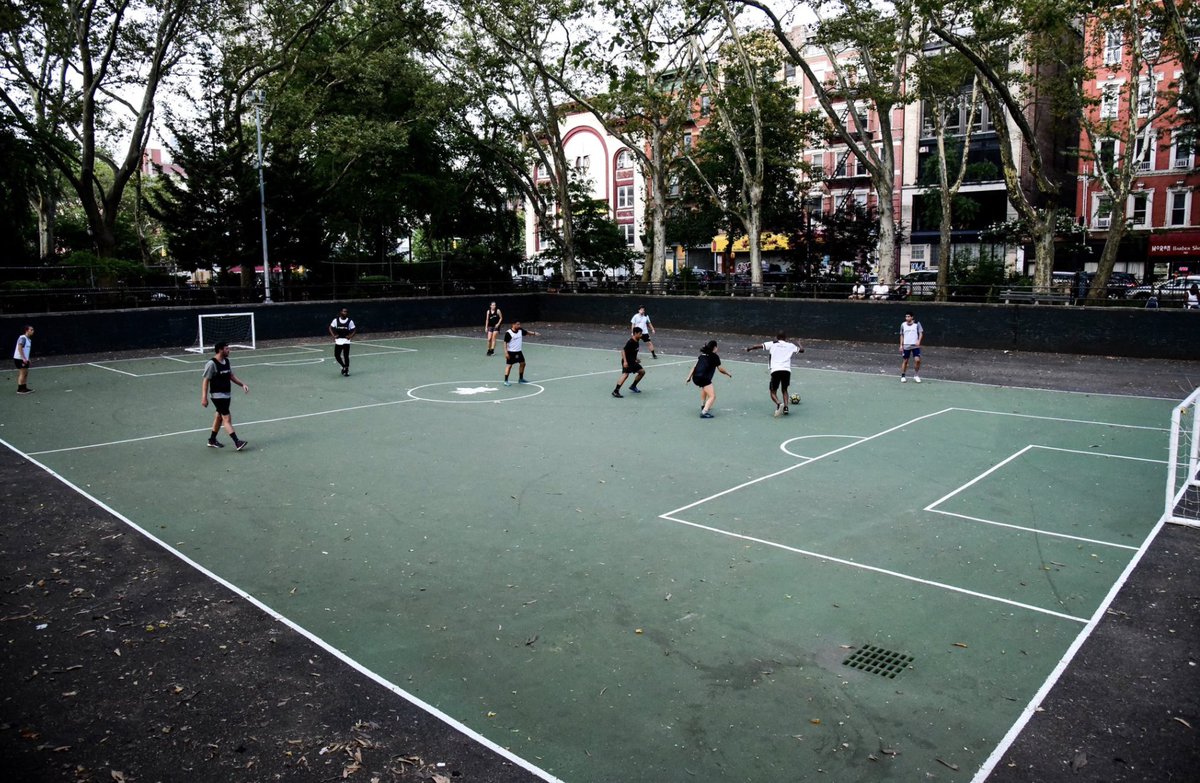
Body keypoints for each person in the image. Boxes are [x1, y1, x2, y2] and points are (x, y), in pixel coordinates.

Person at [201, 341, 250, 450]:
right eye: (227, 349)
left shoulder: (226, 361)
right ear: (220, 350)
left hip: (226, 394)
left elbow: (231, 376)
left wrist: (242, 384)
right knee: (226, 418)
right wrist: (204, 397)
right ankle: (237, 442)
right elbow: (205, 381)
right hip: (217, 395)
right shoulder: (211, 364)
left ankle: (212, 440)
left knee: (218, 416)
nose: (229, 350)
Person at [746, 331, 804, 417]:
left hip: (776, 370)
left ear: (777, 337)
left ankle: (779, 403)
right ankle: (786, 408)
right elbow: (802, 350)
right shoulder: (790, 345)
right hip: (786, 371)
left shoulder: (772, 343)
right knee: (784, 390)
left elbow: (757, 346)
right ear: (785, 338)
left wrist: (749, 348)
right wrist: (799, 344)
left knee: (772, 392)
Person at [685, 340, 732, 419]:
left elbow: (694, 367)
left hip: (696, 378)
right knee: (712, 396)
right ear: (714, 347)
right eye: (717, 346)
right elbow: (720, 369)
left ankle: (703, 405)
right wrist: (728, 373)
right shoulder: (715, 357)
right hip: (704, 378)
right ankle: (704, 412)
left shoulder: (702, 355)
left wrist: (688, 378)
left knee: (704, 388)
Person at [503, 320, 540, 386]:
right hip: (511, 352)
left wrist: (534, 333)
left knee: (523, 363)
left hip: (519, 351)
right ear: (513, 324)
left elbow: (527, 332)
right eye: (517, 324)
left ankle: (521, 379)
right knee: (509, 366)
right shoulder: (508, 333)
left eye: (519, 324)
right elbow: (505, 342)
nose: (519, 326)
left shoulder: (520, 330)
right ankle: (506, 381)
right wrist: (506, 353)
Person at [613, 327, 646, 398]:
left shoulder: (637, 341)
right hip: (627, 361)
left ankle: (633, 386)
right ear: (635, 333)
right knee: (625, 375)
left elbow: (633, 352)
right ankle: (616, 391)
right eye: (640, 334)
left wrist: (636, 358)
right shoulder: (631, 342)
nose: (641, 335)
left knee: (642, 372)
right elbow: (623, 351)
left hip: (632, 361)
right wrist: (625, 361)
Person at [328, 307, 356, 376]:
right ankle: (344, 366)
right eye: (344, 311)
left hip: (346, 341)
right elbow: (330, 328)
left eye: (346, 312)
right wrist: (334, 335)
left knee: (346, 356)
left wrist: (350, 336)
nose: (345, 313)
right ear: (341, 312)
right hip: (338, 341)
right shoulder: (336, 320)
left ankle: (346, 370)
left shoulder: (350, 321)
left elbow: (354, 329)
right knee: (337, 355)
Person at [899, 311, 924, 383]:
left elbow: (921, 333)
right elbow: (901, 335)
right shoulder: (903, 324)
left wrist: (919, 341)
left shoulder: (917, 324)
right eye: (906, 317)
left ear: (912, 317)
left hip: (915, 346)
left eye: (908, 316)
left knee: (917, 360)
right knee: (905, 361)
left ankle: (916, 375)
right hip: (906, 346)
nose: (907, 318)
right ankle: (903, 376)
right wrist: (901, 345)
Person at [13, 325, 34, 395]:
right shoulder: (22, 338)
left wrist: (28, 359)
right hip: (19, 359)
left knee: (25, 373)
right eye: (31, 330)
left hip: (24, 359)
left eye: (32, 330)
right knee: (22, 373)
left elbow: (26, 350)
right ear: (27, 330)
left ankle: (24, 388)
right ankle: (20, 389)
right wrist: (23, 358)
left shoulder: (29, 340)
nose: (32, 331)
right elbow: (19, 348)